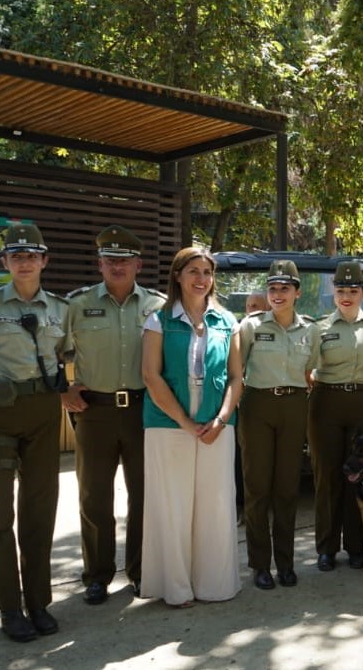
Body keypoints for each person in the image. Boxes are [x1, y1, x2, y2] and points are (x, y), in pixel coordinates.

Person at [0, 223, 68, 642]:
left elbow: (61, 357)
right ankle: (10, 608)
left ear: (44, 260)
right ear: (4, 261)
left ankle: (38, 601)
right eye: (15, 256)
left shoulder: (60, 308)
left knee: (40, 510)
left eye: (32, 255)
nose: (24, 262)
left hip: (43, 413)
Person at [62, 226, 164, 605]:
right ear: (99, 263)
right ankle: (97, 574)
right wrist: (62, 387)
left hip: (143, 411)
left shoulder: (157, 305)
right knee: (94, 498)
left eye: (124, 260)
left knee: (144, 496)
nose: (117, 266)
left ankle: (140, 571)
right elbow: (50, 347)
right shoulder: (76, 304)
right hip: (94, 412)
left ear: (138, 264)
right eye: (110, 260)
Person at [140, 246, 243, 607]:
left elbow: (236, 377)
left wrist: (221, 419)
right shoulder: (159, 319)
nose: (201, 279)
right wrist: (185, 422)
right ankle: (177, 588)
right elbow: (151, 377)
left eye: (207, 272)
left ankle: (215, 585)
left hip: (217, 425)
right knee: (174, 506)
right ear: (178, 276)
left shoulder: (227, 321)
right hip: (167, 425)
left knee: (215, 505)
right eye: (193, 271)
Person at [308, 261, 363, 572]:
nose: (347, 296)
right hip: (327, 403)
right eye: (341, 290)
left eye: (353, 290)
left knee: (359, 478)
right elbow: (305, 370)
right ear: (334, 292)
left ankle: (357, 547)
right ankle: (327, 548)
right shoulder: (318, 328)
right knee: (327, 476)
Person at [237, 261, 316, 589]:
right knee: (257, 488)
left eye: (285, 288)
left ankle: (285, 562)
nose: (277, 294)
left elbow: (312, 373)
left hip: (294, 405)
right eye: (272, 289)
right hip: (257, 405)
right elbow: (236, 371)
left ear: (297, 293)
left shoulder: (311, 329)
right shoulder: (251, 326)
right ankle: (259, 564)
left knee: (286, 488)